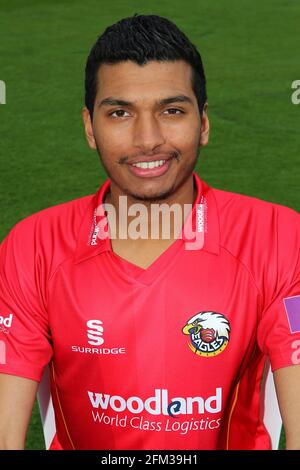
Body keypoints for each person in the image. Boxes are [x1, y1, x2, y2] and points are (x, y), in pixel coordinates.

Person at [0, 14, 299, 451]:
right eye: (120, 112)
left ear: (204, 123)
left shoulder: (278, 237)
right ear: (89, 127)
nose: (147, 139)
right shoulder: (33, 247)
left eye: (171, 110)